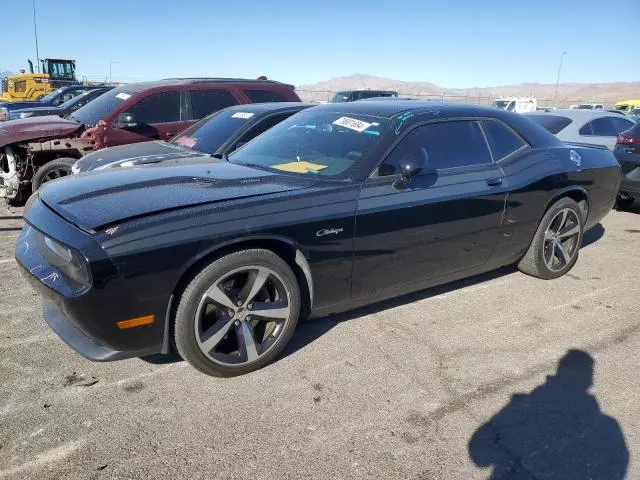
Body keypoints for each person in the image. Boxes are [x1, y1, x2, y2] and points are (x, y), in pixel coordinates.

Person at [469, 349, 628, 479]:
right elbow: (616, 469)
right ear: (589, 382)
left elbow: (479, 453)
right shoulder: (607, 427)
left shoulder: (521, 407)